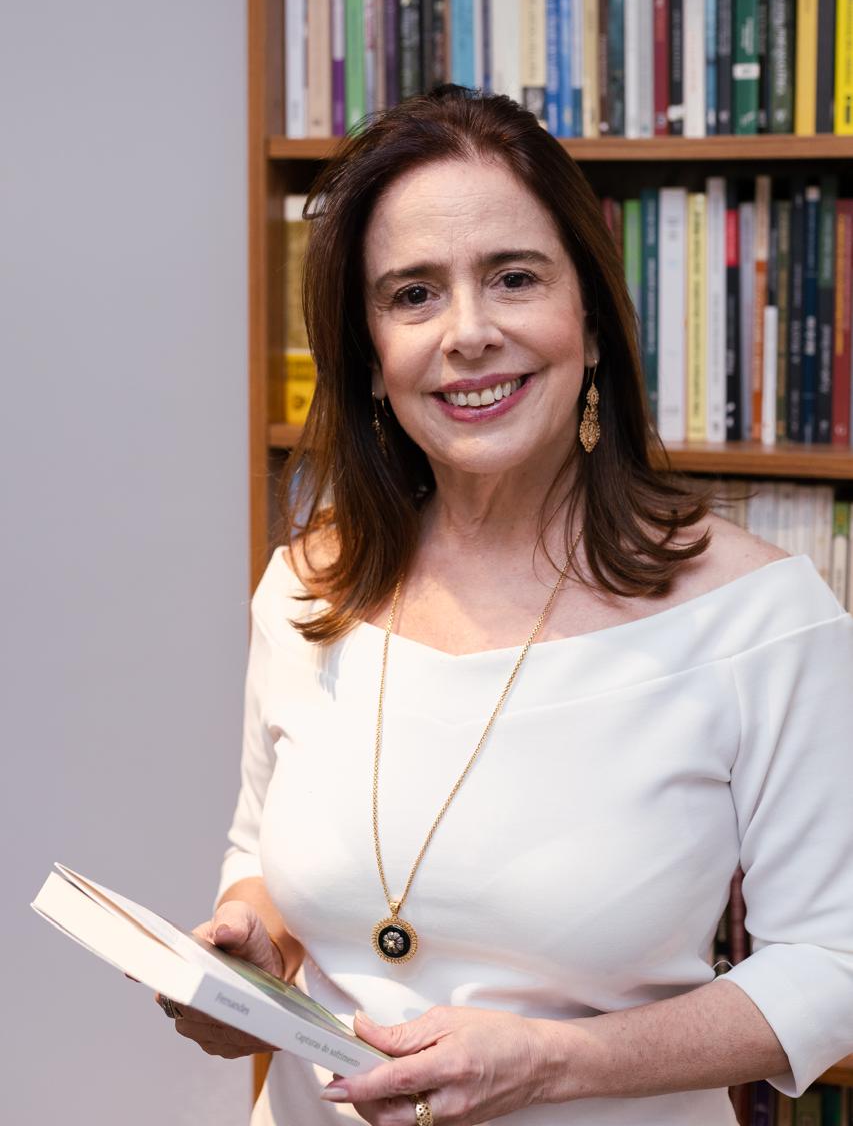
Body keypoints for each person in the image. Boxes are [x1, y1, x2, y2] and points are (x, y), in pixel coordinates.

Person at [157, 86, 853, 1125]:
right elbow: (259, 856)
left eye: (513, 277)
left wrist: (554, 1062)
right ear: (369, 357)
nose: (468, 332)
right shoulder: (305, 585)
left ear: (591, 321)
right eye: (413, 294)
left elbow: (834, 965)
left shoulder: (762, 619)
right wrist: (254, 948)